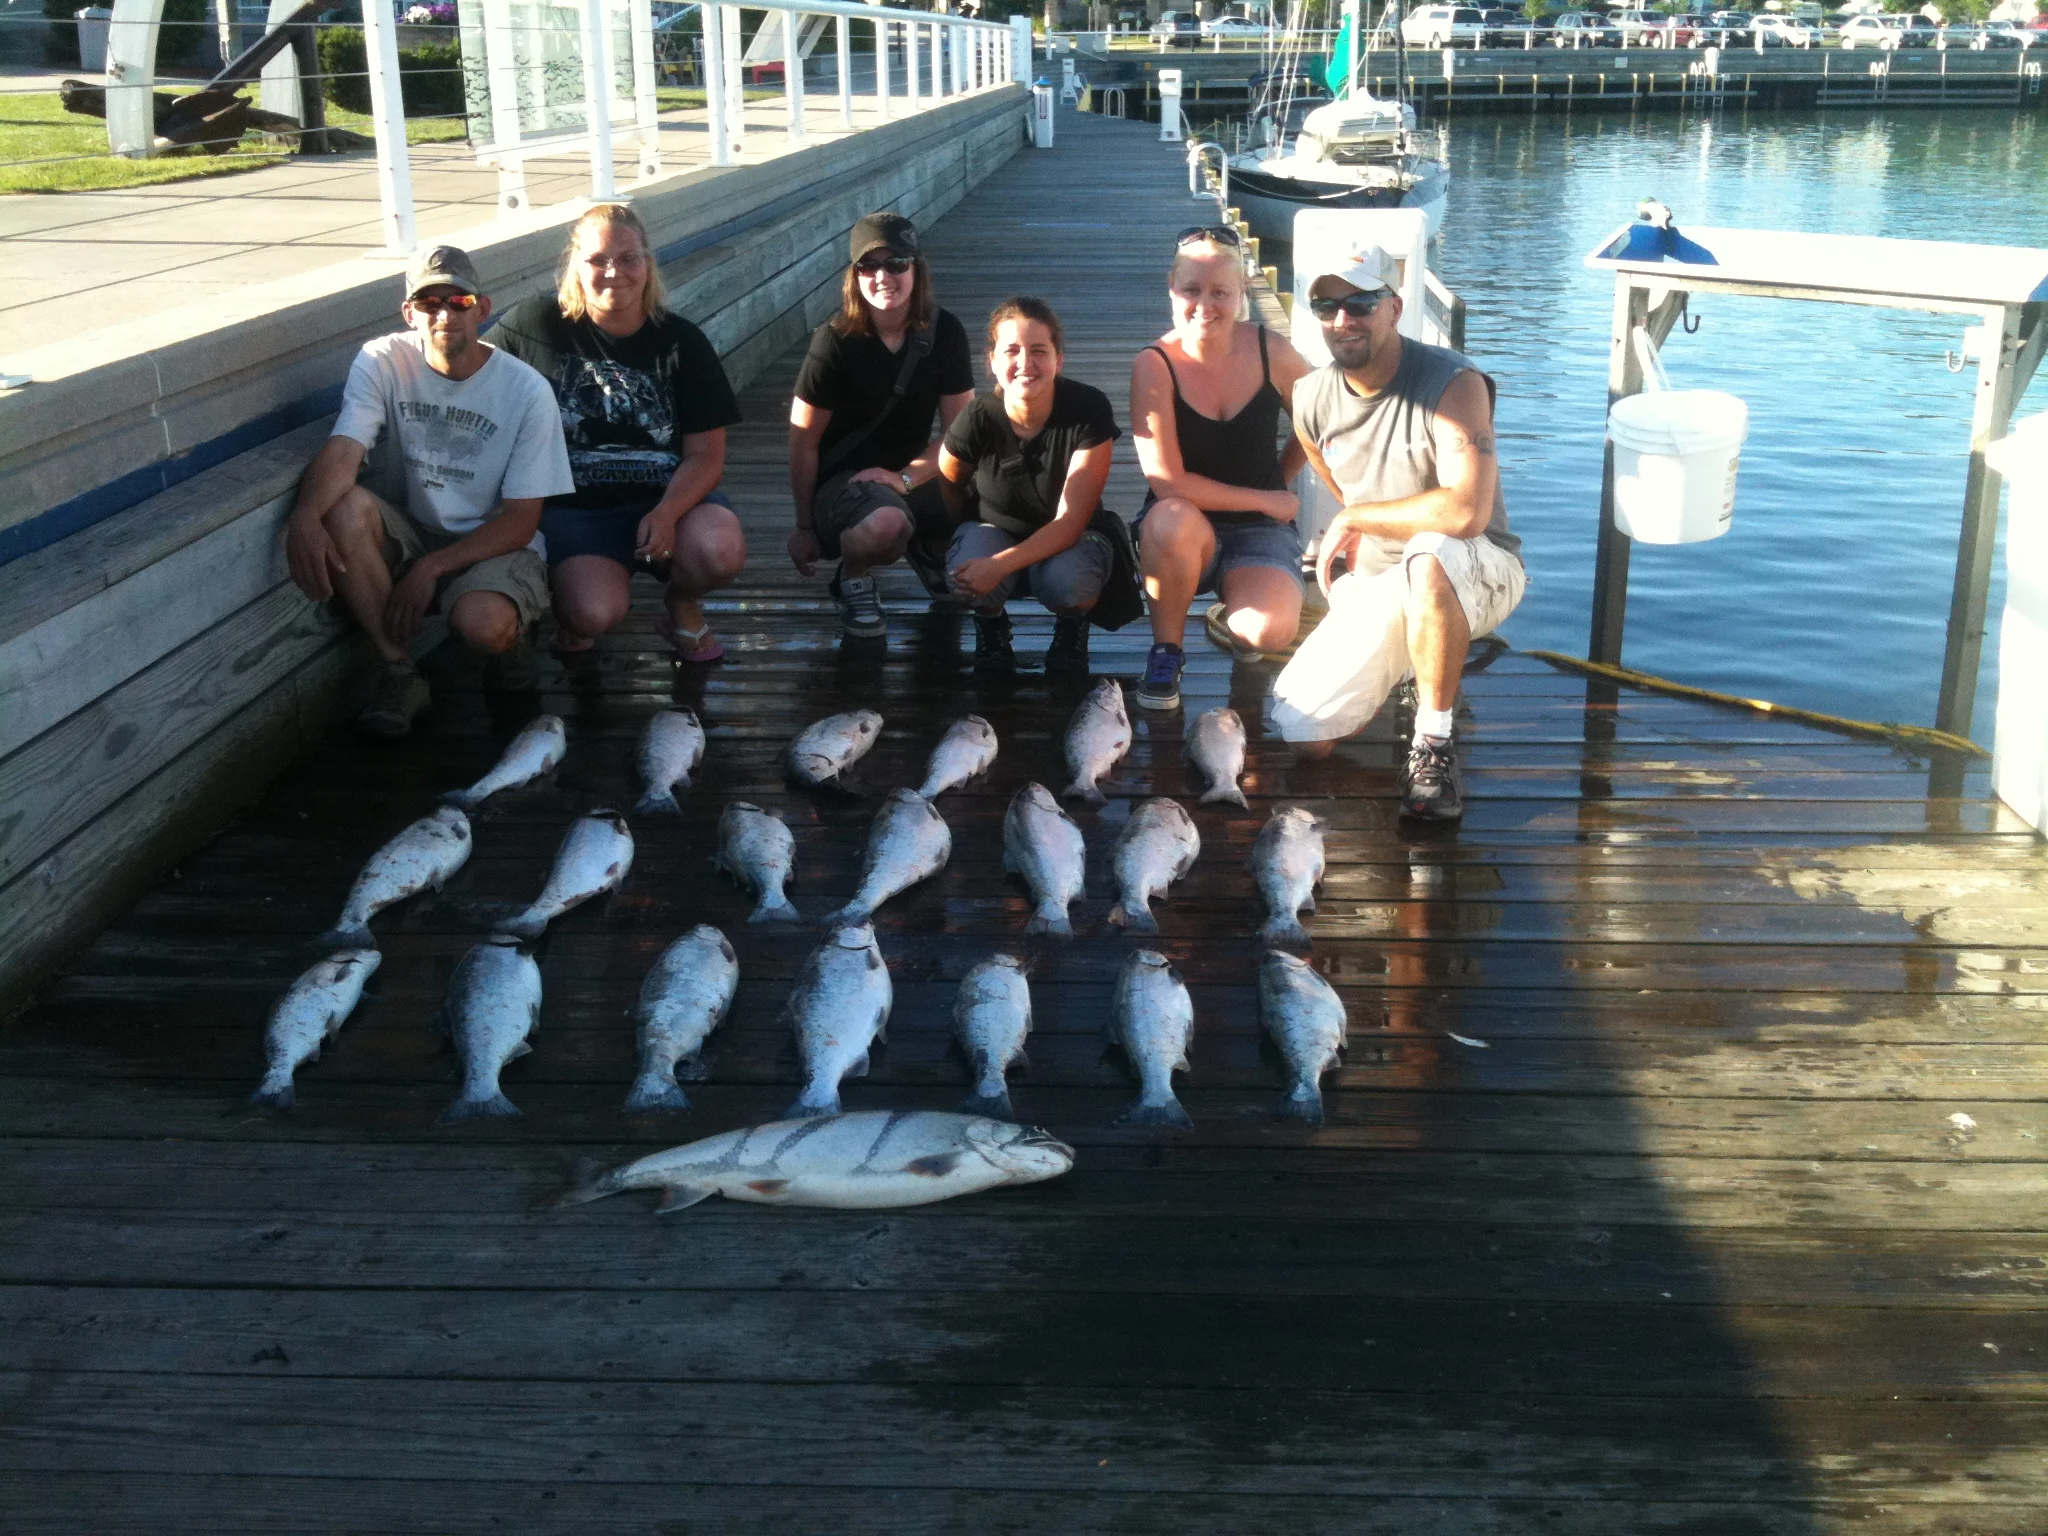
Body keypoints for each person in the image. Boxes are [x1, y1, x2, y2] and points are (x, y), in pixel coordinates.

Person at [1272, 244, 1526, 823]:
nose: (1343, 319)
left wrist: (1358, 520)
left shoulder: (1454, 382)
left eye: (1361, 302)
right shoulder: (1310, 397)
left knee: (1430, 552)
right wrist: (1356, 522)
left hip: (1476, 568)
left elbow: (1466, 513)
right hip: (1384, 581)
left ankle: (1433, 742)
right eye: (1326, 304)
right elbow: (1336, 481)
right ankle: (1420, 663)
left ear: (1394, 307)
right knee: (1303, 733)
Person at [284, 244, 574, 738]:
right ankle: (400, 674)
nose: (444, 314)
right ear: (409, 313)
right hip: (413, 529)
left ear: (482, 309)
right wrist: (304, 518)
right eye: (429, 303)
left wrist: (430, 568)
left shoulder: (527, 391)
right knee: (343, 507)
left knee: (484, 626)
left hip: (495, 540)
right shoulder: (381, 359)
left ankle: (514, 637)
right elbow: (344, 449)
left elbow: (522, 519)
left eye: (458, 302)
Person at [494, 202, 745, 664]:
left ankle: (681, 601)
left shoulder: (682, 341)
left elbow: (707, 455)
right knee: (592, 614)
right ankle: (573, 604)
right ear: (574, 265)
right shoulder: (533, 324)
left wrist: (669, 511)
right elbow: (472, 373)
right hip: (576, 510)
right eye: (597, 260)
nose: (614, 272)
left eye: (628, 258)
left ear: (647, 265)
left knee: (720, 548)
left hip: (665, 499)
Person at [1128, 225, 1315, 711]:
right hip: (1183, 525)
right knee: (1168, 516)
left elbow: (1322, 425)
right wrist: (1267, 496)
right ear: (1171, 290)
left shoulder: (1273, 352)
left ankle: (1242, 627)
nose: (1204, 305)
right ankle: (1166, 652)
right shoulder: (1155, 363)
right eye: (1190, 290)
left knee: (1265, 632)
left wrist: (1283, 472)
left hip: (1259, 533)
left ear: (1242, 294)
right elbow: (1166, 481)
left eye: (1219, 293)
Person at [787, 211, 976, 642]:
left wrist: (904, 477)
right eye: (868, 266)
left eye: (896, 264)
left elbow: (957, 434)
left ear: (917, 269)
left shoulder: (944, 331)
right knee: (887, 524)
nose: (882, 276)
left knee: (987, 492)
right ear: (854, 276)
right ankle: (853, 579)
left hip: (909, 473)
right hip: (845, 482)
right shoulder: (833, 341)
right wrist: (803, 527)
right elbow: (802, 442)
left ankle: (930, 549)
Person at [937, 296, 1123, 675]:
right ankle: (991, 626)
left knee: (1067, 583)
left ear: (1059, 359)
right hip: (997, 530)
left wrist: (999, 565)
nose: (1025, 363)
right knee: (965, 569)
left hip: (1073, 536)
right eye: (1011, 350)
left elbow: (1071, 522)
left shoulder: (1089, 409)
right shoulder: (977, 417)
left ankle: (1071, 629)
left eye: (1039, 350)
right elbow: (949, 478)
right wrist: (971, 534)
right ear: (991, 361)